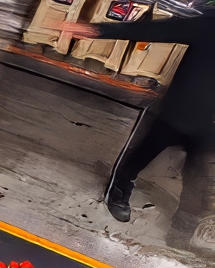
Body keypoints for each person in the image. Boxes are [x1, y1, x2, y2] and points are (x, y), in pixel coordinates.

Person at [62, 15, 215, 232]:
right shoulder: (210, 23)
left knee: (198, 173)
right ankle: (120, 189)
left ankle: (187, 218)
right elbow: (159, 30)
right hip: (174, 112)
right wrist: (100, 30)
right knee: (141, 155)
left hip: (208, 124)